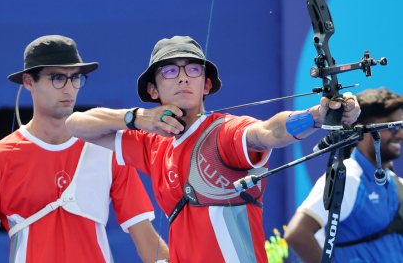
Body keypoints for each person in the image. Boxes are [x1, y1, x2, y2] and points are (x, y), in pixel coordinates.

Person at [65, 36, 360, 263]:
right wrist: (137, 117)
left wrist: (316, 117)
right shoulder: (153, 143)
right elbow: (76, 125)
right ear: (153, 91)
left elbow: (268, 132)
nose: (183, 77)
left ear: (206, 85)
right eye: (169, 70)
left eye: (192, 69)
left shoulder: (224, 132)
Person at [0, 35, 169, 263]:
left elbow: (148, 242)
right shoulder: (2, 156)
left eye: (76, 78)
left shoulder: (108, 150)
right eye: (57, 78)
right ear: (29, 82)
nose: (69, 88)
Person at [284, 88, 403, 263]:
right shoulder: (348, 177)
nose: (400, 134)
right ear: (364, 130)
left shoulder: (396, 183)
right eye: (391, 127)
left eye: (400, 126)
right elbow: (297, 234)